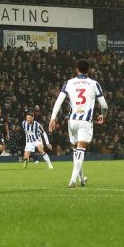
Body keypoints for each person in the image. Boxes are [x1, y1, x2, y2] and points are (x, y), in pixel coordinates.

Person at [49, 58, 107, 189]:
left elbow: (58, 102)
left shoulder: (69, 83)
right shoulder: (94, 84)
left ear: (76, 69)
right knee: (80, 150)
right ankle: (72, 180)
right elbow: (104, 105)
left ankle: (81, 178)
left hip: (72, 121)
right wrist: (103, 115)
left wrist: (53, 118)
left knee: (77, 151)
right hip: (85, 122)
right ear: (89, 70)